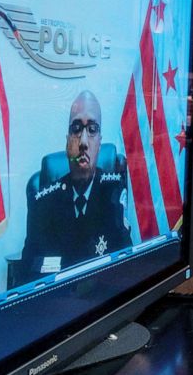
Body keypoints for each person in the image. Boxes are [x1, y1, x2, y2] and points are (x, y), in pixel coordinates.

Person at [21, 91, 132, 278]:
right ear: (67, 143)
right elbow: (28, 275)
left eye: (92, 130)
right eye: (76, 129)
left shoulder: (112, 192)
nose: (83, 142)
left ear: (99, 143)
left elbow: (126, 268)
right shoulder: (43, 203)